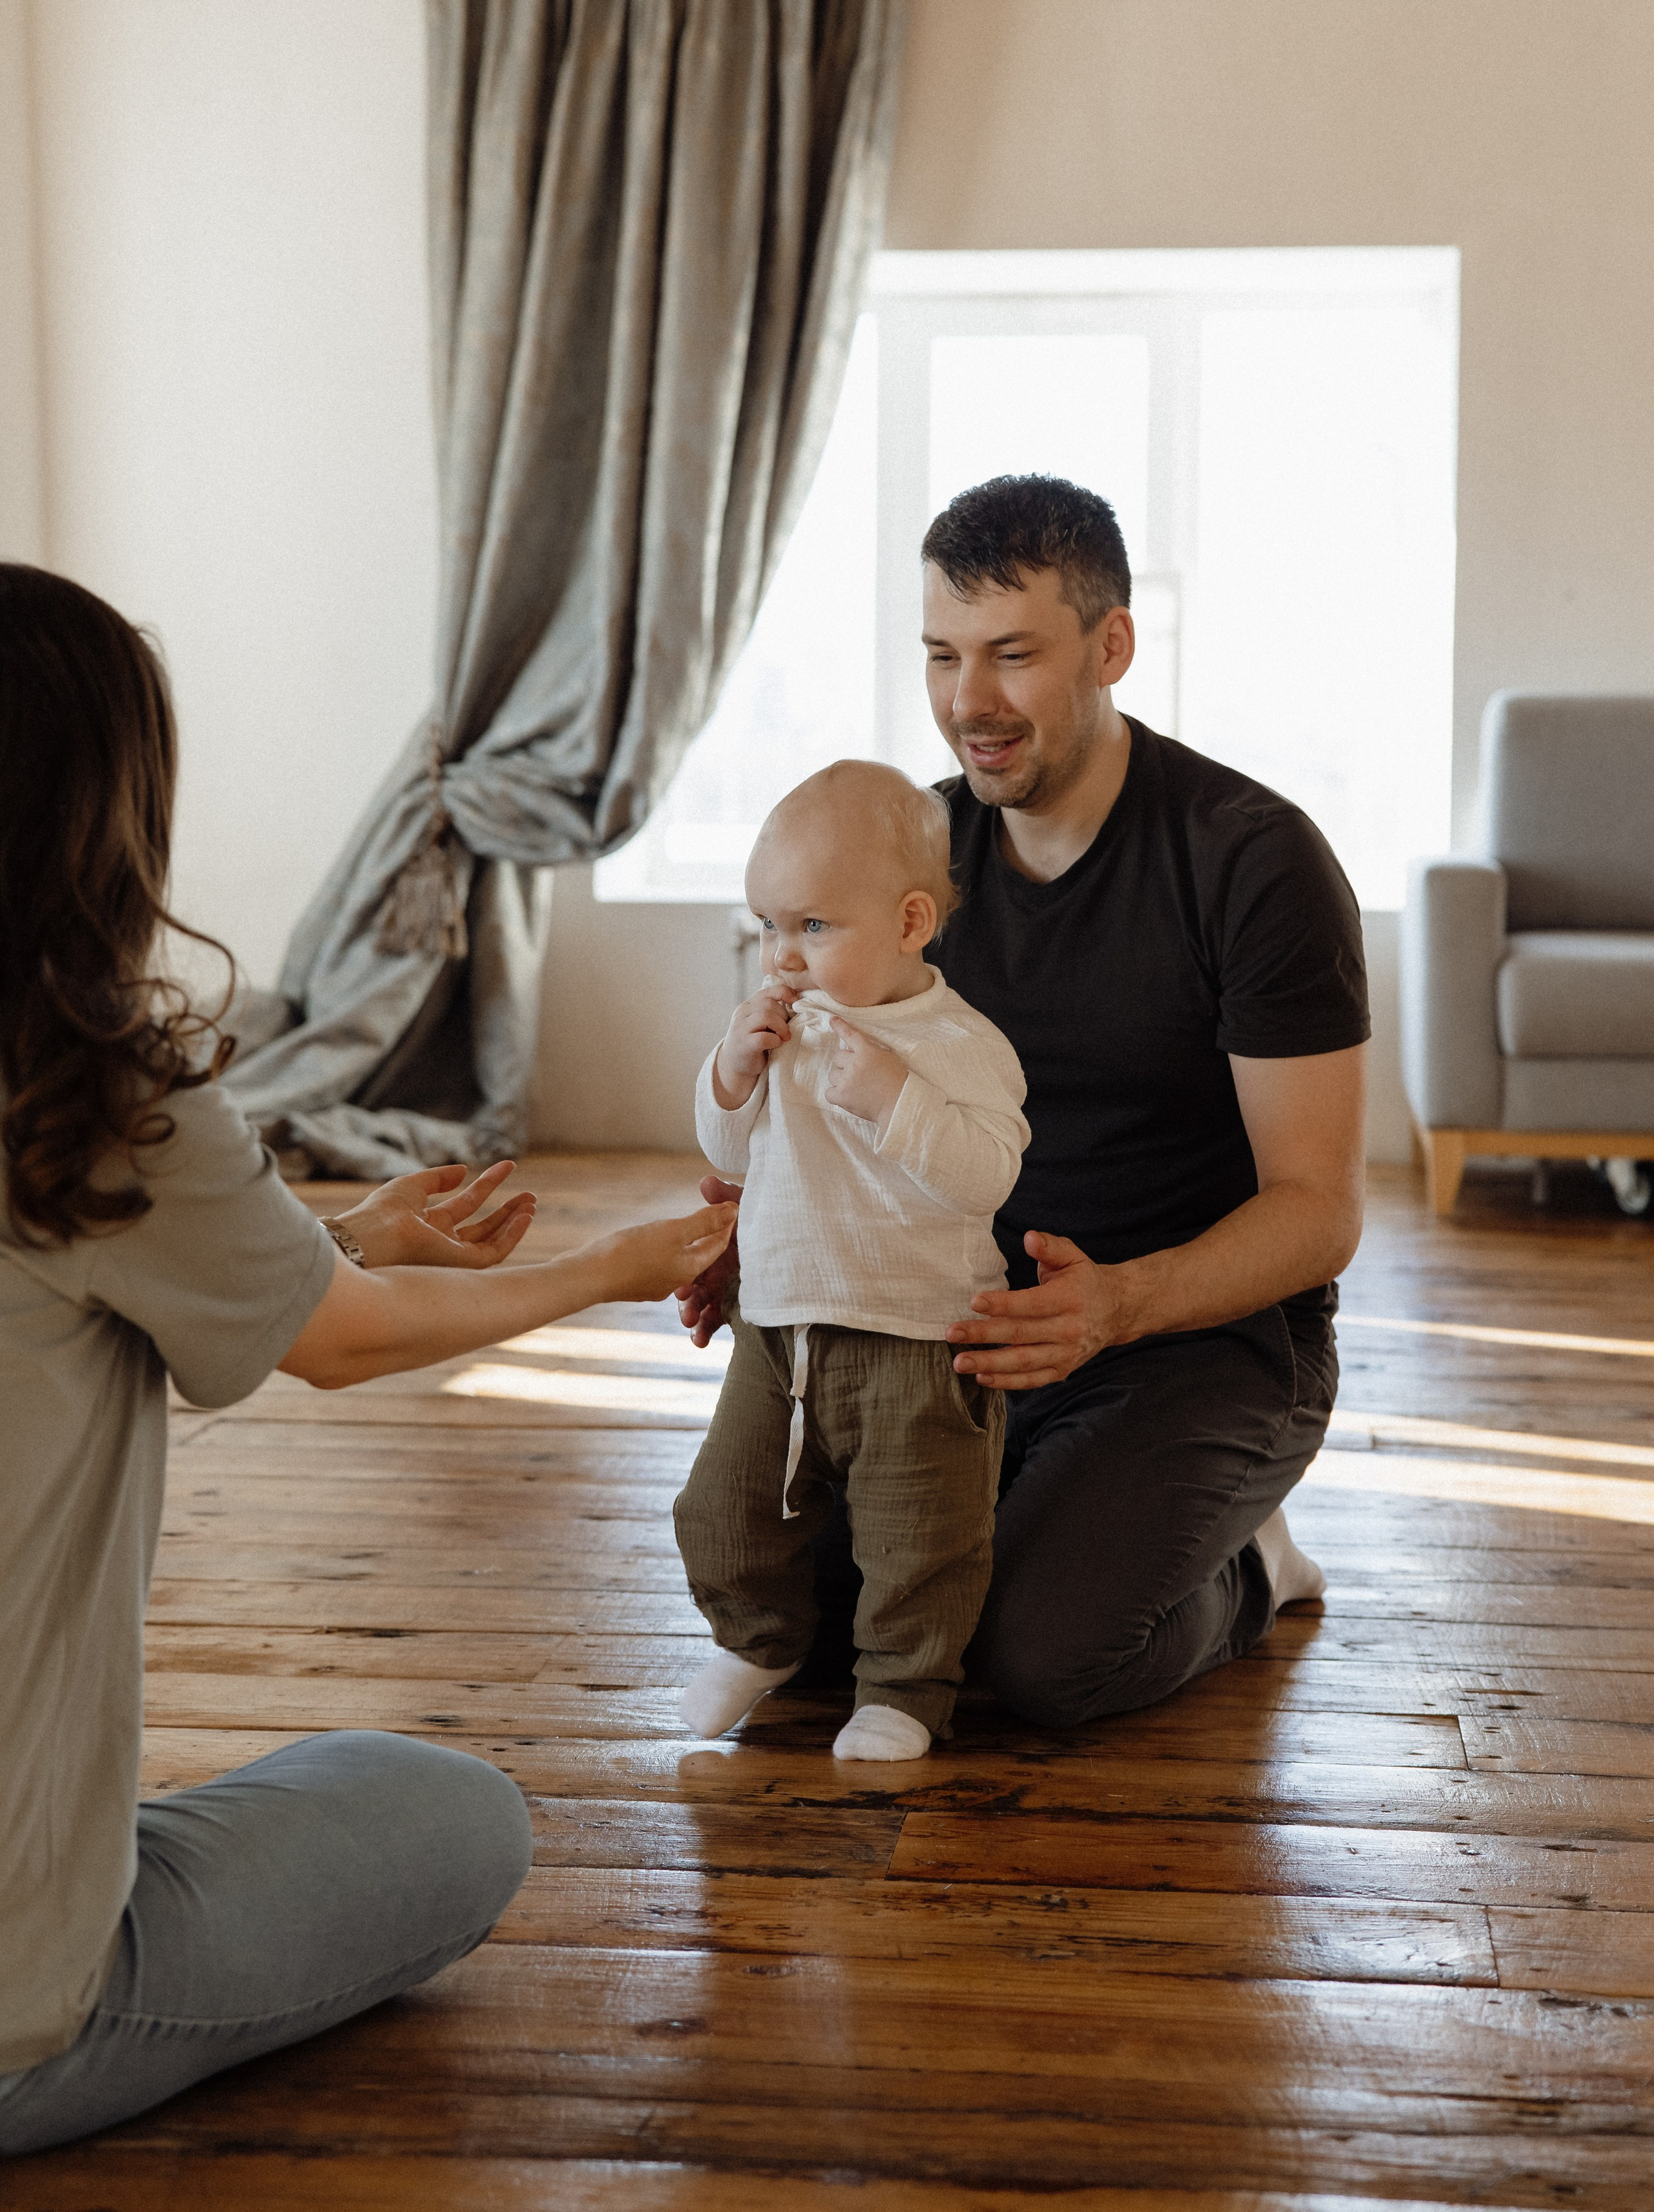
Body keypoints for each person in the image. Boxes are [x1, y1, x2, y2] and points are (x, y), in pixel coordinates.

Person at [0, 563, 735, 2156]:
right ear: (96, 815)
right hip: (16, 2008)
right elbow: (341, 1355)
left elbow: (87, 1311)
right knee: (449, 1810)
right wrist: (610, 1260)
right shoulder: (83, 1091)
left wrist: (336, 1244)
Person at [680, 474, 1368, 1729]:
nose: (966, 704)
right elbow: (824, 1115)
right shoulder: (913, 866)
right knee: (811, 1619)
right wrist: (767, 1246)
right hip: (949, 1329)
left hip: (1197, 1341)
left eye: (1010, 655)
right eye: (941, 656)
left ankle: (1254, 1560)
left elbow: (1317, 1211)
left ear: (1109, 645)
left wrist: (1120, 1303)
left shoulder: (1250, 861)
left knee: (1036, 1658)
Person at [673, 762, 1028, 1761]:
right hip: (780, 1327)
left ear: (912, 921)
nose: (782, 956)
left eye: (812, 927)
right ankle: (759, 1640)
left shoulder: (960, 1043)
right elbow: (732, 1153)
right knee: (726, 1507)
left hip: (919, 1338)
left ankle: (906, 1691)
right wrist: (730, 1073)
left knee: (921, 1535)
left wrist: (895, 1100)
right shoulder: (785, 1027)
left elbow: (986, 1174)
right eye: (767, 927)